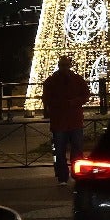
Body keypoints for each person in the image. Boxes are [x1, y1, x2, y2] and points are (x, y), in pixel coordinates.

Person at [41, 54, 89, 186]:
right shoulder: (52, 81)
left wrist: (74, 102)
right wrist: (62, 103)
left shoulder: (76, 79)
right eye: (62, 65)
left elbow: (85, 95)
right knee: (61, 150)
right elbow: (46, 98)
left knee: (76, 150)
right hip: (61, 120)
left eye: (66, 65)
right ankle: (63, 176)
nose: (64, 68)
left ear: (70, 66)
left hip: (72, 120)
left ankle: (75, 174)